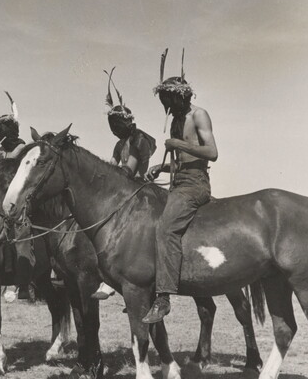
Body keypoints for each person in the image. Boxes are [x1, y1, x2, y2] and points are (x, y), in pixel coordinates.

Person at [142, 72, 218, 324]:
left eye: (170, 102)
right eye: (164, 103)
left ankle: (163, 298)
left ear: (181, 96)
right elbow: (182, 160)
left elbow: (212, 152)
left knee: (165, 229)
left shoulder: (199, 114)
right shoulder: (177, 119)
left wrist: (178, 144)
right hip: (178, 182)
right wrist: (161, 167)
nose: (168, 108)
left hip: (195, 184)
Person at [92, 79, 156, 300]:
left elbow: (129, 170)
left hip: (139, 188)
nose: (114, 130)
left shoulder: (140, 139)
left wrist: (110, 173)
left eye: (116, 126)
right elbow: (112, 164)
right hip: (124, 187)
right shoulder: (119, 144)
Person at [0, 92, 35, 301]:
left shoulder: (25, 150)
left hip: (22, 200)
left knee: (22, 232)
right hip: (0, 201)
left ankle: (24, 281)